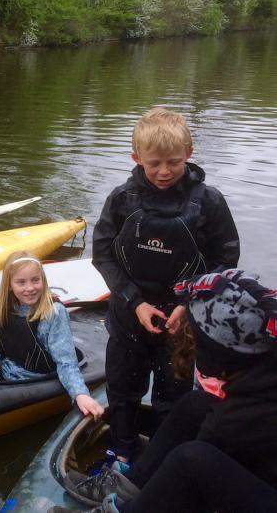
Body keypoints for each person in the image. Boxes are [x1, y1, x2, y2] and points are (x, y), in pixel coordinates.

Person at [52, 269, 277, 513]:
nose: (191, 344)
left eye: (198, 340)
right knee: (196, 404)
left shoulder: (238, 418)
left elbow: (188, 492)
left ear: (220, 353)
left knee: (192, 462)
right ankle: (131, 484)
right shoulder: (263, 364)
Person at [91, 107, 239, 465]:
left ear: (188, 154)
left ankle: (161, 460)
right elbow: (103, 255)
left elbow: (227, 258)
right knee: (124, 392)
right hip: (130, 315)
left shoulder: (209, 202)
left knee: (172, 398)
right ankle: (121, 451)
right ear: (136, 158)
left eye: (173, 162)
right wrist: (134, 302)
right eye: (153, 162)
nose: (164, 171)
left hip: (183, 322)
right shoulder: (122, 200)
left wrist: (190, 303)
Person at [0, 251, 104, 420]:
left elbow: (66, 361)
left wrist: (80, 394)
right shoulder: (9, 306)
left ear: (42, 281)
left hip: (27, 376)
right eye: (21, 282)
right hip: (8, 365)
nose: (29, 288)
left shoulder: (54, 313)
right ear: (10, 285)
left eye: (35, 280)